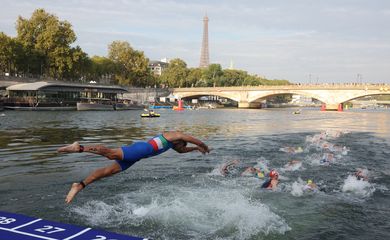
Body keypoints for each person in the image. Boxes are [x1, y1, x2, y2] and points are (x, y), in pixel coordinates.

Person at [58, 131, 210, 204]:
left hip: (137, 157)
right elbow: (190, 138)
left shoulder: (174, 145)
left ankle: (79, 185)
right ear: (179, 141)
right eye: (181, 145)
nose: (181, 148)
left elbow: (182, 150)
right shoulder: (174, 136)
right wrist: (203, 146)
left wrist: (196, 150)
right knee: (111, 154)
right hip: (140, 150)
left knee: (109, 171)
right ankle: (79, 148)